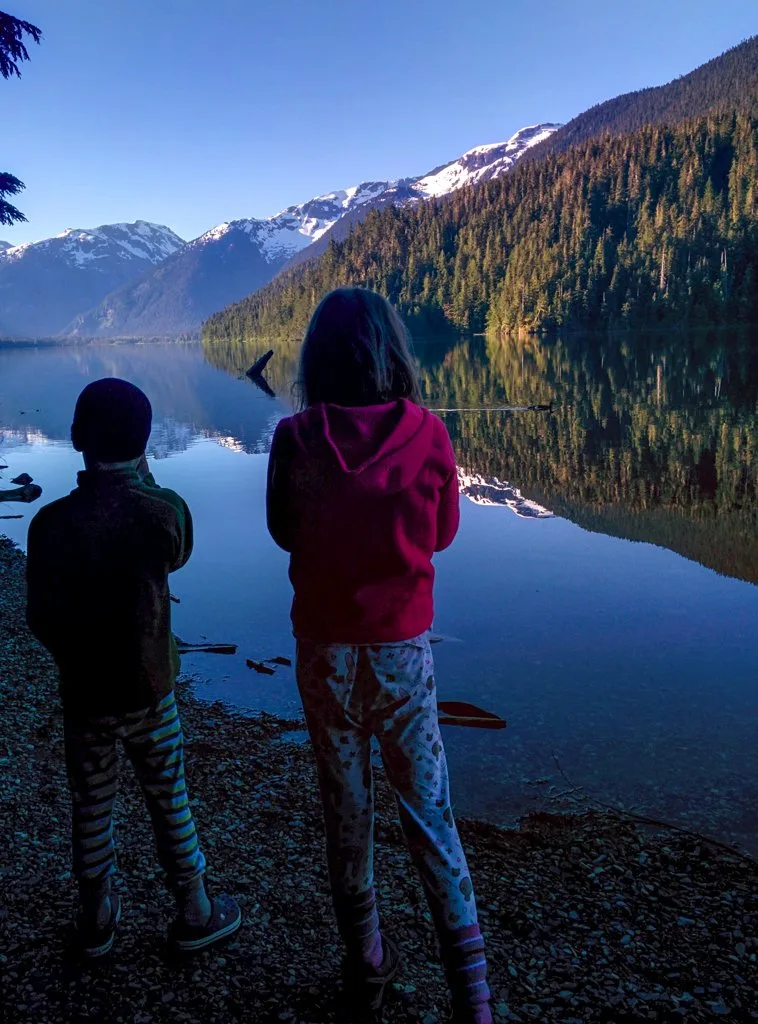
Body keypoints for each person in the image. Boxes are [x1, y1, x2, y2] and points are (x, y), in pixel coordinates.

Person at [266, 288, 492, 1023]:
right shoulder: (428, 433)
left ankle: (365, 964)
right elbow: (444, 535)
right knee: (429, 812)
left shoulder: (294, 437)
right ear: (390, 353)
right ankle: (473, 996)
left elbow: (281, 533)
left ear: (316, 358)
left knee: (346, 806)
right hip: (401, 656)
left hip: (323, 654)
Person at [26, 378, 241, 958]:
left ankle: (96, 915)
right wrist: (143, 482)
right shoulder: (161, 513)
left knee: (91, 801)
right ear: (148, 445)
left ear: (74, 439)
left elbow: (40, 618)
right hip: (152, 692)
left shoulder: (48, 526)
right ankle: (195, 908)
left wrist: (74, 656)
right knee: (169, 795)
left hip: (85, 696)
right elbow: (181, 550)